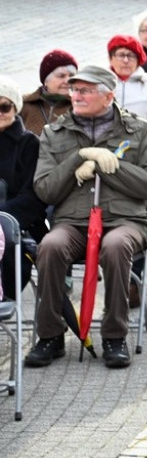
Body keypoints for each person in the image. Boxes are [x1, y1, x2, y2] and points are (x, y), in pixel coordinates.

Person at [26, 65, 147, 369]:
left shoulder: (138, 130)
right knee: (49, 247)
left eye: (85, 90)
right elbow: (45, 189)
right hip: (73, 223)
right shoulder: (54, 133)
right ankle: (51, 335)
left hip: (123, 221)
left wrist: (109, 165)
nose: (76, 95)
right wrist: (79, 158)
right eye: (74, 90)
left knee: (115, 247)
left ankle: (115, 336)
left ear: (108, 95)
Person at [0, 76, 47, 298]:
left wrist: (3, 218)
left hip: (18, 226)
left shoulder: (30, 143)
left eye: (4, 106)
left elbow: (34, 196)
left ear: (16, 108)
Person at [106, 35, 147, 124]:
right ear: (110, 59)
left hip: (141, 135)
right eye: (121, 55)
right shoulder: (101, 82)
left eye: (131, 56)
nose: (125, 60)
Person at [20, 50, 77, 135]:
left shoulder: (78, 106)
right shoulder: (23, 104)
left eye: (71, 76)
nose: (67, 81)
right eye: (61, 76)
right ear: (46, 80)